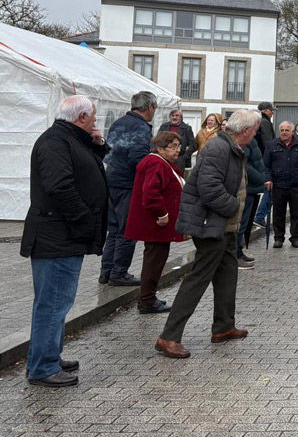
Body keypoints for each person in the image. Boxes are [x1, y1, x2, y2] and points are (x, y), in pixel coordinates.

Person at [155, 109, 259, 359]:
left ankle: (223, 327)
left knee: (227, 275)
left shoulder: (229, 146)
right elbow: (209, 188)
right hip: (212, 225)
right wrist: (234, 207)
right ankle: (168, 336)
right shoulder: (218, 148)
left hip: (225, 226)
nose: (255, 135)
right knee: (198, 278)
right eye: (255, 131)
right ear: (246, 131)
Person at [22, 95, 109, 387]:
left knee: (55, 302)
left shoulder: (67, 139)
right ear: (82, 117)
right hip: (57, 236)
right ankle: (42, 367)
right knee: (52, 304)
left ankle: (47, 356)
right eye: (94, 118)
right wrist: (84, 219)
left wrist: (97, 145)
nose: (95, 123)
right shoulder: (55, 142)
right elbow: (59, 186)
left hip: (61, 235)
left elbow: (85, 169)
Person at [124, 130, 185, 313]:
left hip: (159, 225)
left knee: (156, 260)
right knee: (154, 261)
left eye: (178, 146)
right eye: (172, 146)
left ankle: (149, 297)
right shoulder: (156, 163)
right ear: (160, 148)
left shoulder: (163, 162)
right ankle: (147, 300)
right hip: (156, 224)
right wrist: (162, 214)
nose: (177, 150)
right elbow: (151, 193)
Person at [100, 90, 157, 287]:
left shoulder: (119, 122)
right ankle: (119, 273)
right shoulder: (141, 126)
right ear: (149, 107)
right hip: (128, 183)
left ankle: (106, 271)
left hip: (111, 178)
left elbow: (107, 151)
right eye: (154, 108)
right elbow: (138, 158)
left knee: (114, 229)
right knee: (127, 230)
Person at [263, 121, 298, 248]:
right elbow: (266, 165)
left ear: (292, 131)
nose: (284, 132)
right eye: (282, 130)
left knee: (296, 212)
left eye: (287, 130)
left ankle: (295, 237)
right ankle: (278, 238)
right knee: (278, 213)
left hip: (296, 185)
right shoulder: (271, 145)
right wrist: (268, 179)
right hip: (278, 184)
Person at [237, 133, 267, 267]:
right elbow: (244, 163)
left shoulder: (250, 138)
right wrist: (258, 177)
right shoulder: (243, 140)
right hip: (247, 186)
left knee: (245, 223)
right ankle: (236, 254)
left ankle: (239, 251)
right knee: (241, 223)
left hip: (252, 187)